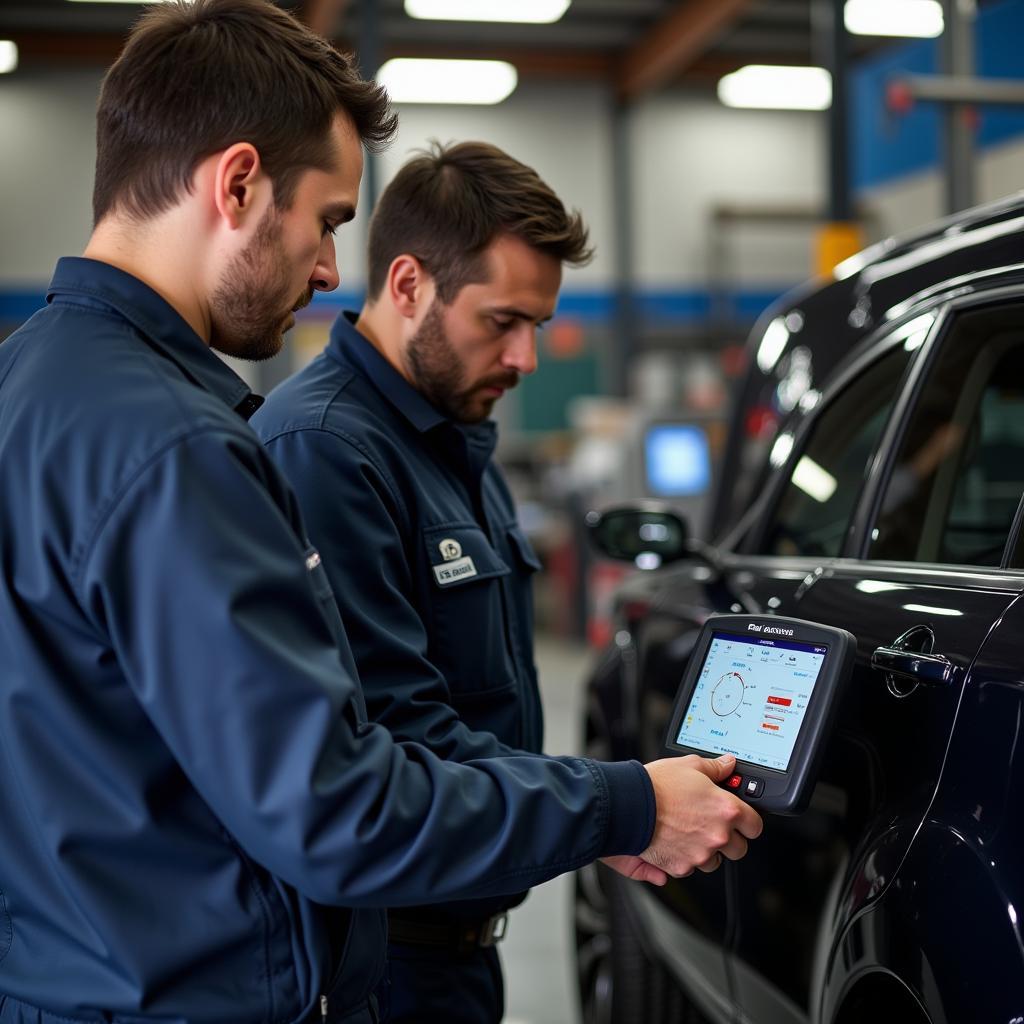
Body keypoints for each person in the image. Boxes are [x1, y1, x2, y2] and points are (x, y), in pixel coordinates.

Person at [0, 3, 762, 1022]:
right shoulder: (181, 447)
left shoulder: (24, 387)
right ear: (236, 184)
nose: (325, 270)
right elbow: (336, 806)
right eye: (326, 222)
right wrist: (626, 801)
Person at [249, 142, 681, 1021]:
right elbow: (398, 743)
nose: (526, 359)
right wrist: (619, 806)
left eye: (539, 327)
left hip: (459, 947)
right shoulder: (327, 452)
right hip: (376, 965)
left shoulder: (454, 439)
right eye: (503, 321)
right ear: (408, 285)